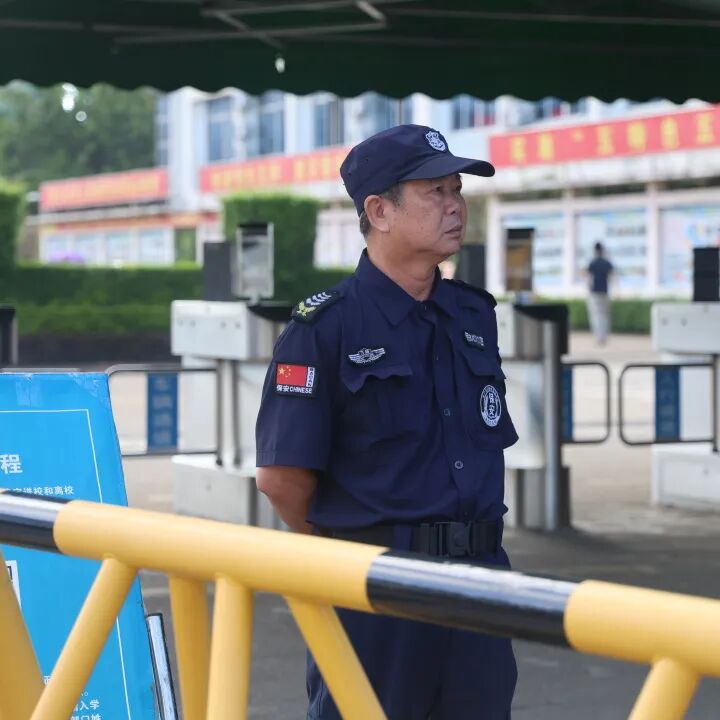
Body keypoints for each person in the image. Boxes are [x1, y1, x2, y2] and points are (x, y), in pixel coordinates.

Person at [255, 124, 519, 720]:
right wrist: (352, 551)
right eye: (435, 192)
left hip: (481, 585)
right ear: (379, 211)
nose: (455, 206)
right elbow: (281, 479)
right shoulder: (324, 329)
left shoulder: (472, 315)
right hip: (376, 592)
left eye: (458, 190)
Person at [586, 241, 614, 345]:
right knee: (605, 316)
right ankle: (604, 336)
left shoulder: (592, 263)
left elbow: (588, 278)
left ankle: (598, 337)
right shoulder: (607, 263)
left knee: (596, 316)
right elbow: (611, 277)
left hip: (594, 293)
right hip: (605, 292)